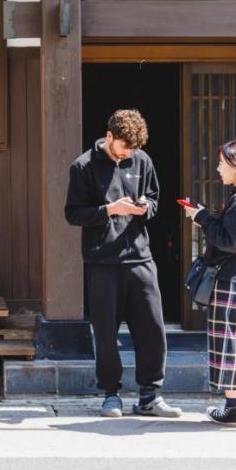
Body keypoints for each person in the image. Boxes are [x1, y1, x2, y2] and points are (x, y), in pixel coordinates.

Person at [65, 109, 181, 419]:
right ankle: (111, 394)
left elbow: (155, 198)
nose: (127, 153)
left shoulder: (141, 160)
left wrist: (146, 206)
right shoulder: (83, 166)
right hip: (102, 259)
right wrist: (108, 209)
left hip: (140, 255)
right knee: (105, 331)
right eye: (123, 147)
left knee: (153, 328)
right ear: (110, 135)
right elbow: (73, 213)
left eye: (133, 148)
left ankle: (150, 395)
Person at [182, 137, 236, 428]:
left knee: (229, 343)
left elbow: (229, 242)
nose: (218, 168)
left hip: (230, 278)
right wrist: (205, 217)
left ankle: (233, 408)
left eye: (222, 163)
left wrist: (204, 218)